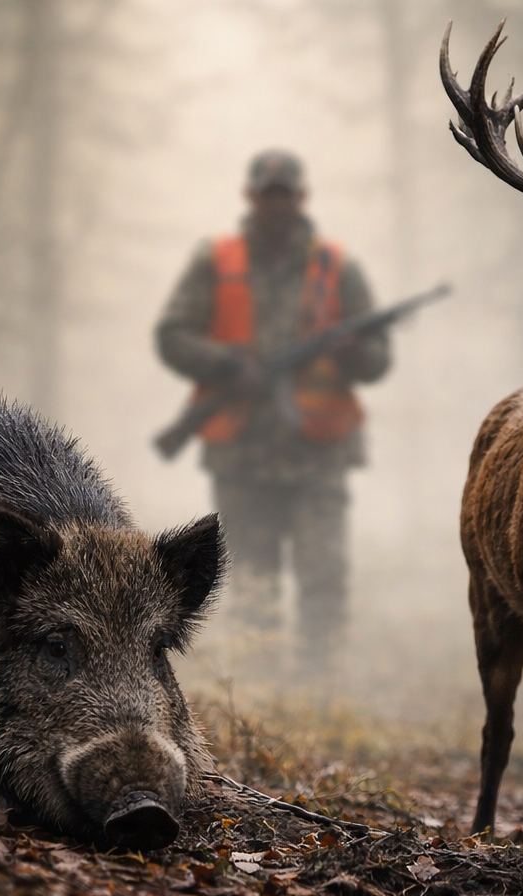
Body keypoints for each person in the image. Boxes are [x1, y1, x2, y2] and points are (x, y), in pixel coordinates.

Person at [156, 150, 390, 671]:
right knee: (253, 579)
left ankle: (319, 686)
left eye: (286, 194)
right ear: (252, 197)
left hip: (320, 452)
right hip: (241, 454)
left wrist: (352, 353)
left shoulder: (338, 266)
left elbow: (378, 360)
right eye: (269, 194)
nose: (278, 203)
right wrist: (230, 365)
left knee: (323, 575)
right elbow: (171, 337)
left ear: (302, 198)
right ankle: (259, 694)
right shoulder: (214, 261)